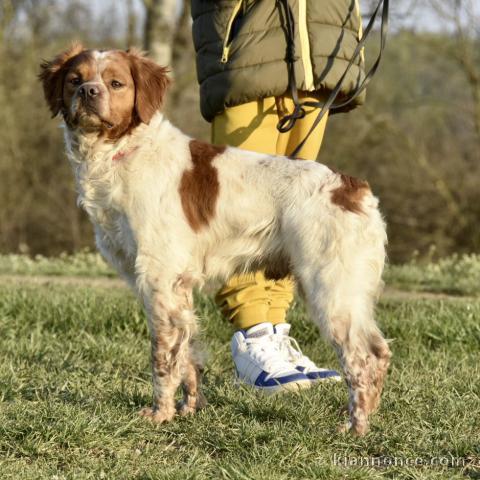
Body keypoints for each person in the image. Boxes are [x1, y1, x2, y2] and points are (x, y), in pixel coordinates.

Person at [191, 0, 365, 392]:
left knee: (295, 212)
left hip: (318, 50)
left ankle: (274, 330)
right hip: (249, 45)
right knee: (242, 206)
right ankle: (251, 336)